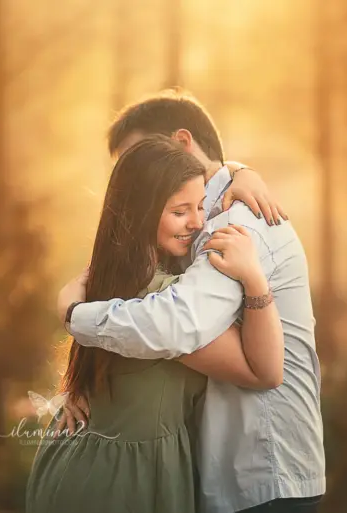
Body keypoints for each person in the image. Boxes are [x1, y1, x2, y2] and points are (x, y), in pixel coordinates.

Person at [57, 91, 325, 513]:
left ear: (181, 144)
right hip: (180, 475)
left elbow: (180, 325)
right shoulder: (151, 266)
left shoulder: (235, 223)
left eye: (144, 158)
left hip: (261, 470)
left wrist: (76, 317)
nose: (134, 181)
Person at [26, 135, 287, 513]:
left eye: (201, 206)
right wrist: (255, 280)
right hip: (118, 485)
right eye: (180, 211)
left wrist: (239, 171)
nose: (198, 222)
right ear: (141, 213)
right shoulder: (162, 309)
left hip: (79, 464)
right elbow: (266, 371)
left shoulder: (104, 278)